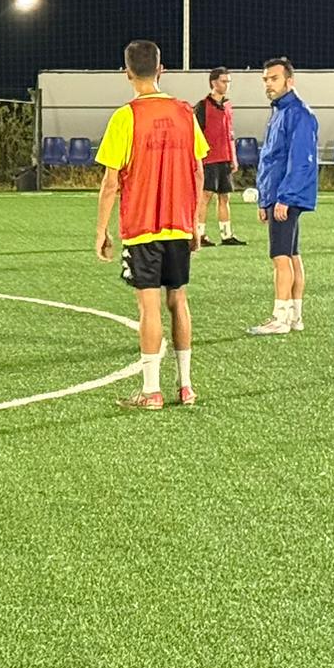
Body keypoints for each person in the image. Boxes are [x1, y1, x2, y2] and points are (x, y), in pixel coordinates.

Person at [93, 39, 207, 409]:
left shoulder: (125, 117)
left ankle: (152, 391)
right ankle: (186, 386)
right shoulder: (185, 112)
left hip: (142, 225)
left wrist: (101, 231)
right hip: (179, 223)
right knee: (179, 300)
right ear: (161, 69)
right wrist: (195, 222)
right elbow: (198, 171)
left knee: (149, 307)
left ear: (126, 72)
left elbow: (110, 182)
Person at [249, 57, 318, 336]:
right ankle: (295, 317)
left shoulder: (298, 113)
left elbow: (300, 160)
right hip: (278, 194)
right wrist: (264, 199)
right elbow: (271, 158)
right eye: (266, 79)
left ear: (290, 81)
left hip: (286, 195)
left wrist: (284, 197)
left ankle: (280, 318)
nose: (268, 84)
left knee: (280, 257)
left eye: (274, 78)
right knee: (291, 254)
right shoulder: (280, 111)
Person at [194, 68, 245, 246]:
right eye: (224, 81)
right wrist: (198, 158)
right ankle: (200, 235)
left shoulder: (228, 105)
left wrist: (233, 157)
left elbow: (230, 133)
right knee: (205, 196)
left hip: (225, 158)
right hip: (209, 159)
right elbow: (196, 134)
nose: (227, 85)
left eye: (228, 82)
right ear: (214, 83)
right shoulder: (202, 106)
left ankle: (226, 235)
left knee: (225, 197)